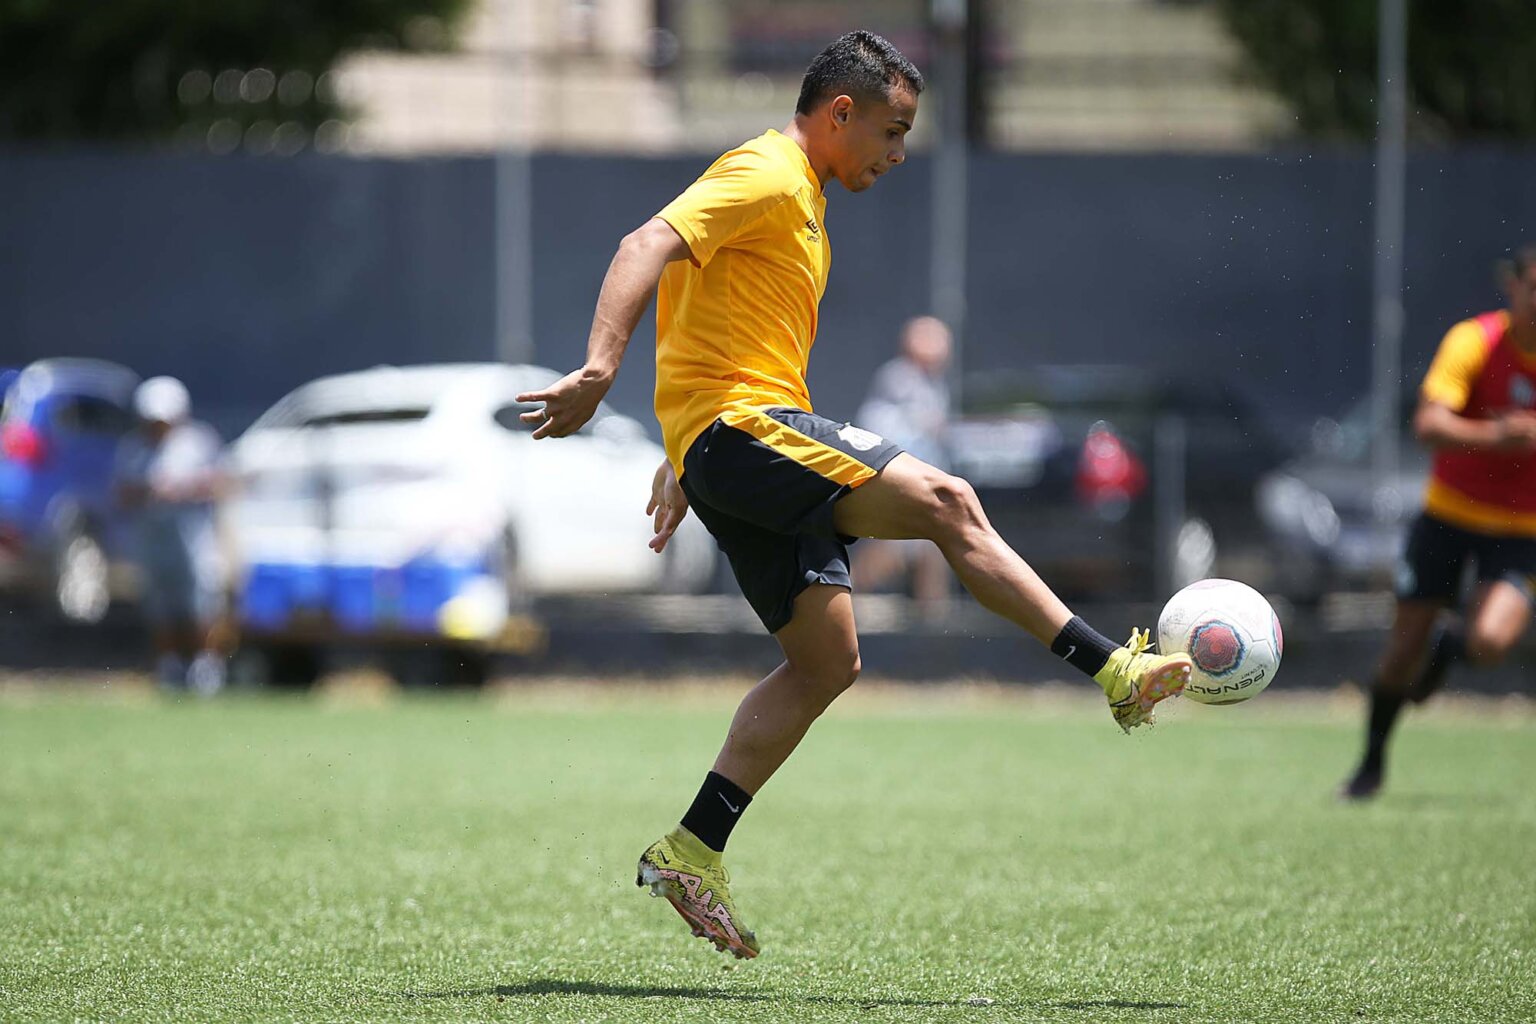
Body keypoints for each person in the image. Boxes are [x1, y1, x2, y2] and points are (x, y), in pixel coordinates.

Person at [516, 30, 1191, 959]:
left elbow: (714, 324)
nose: (898, 153)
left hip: (732, 445)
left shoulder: (803, 203)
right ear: (841, 112)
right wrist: (600, 371)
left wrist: (683, 457)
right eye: (892, 129)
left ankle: (690, 848)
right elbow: (648, 243)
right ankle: (1113, 672)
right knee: (950, 501)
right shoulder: (764, 173)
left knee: (827, 663)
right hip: (743, 433)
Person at [1341, 245, 1536, 800]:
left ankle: (1451, 648)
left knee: (1493, 641)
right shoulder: (1474, 341)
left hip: (1524, 532)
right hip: (1449, 516)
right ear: (1515, 289)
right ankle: (1370, 765)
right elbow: (1427, 424)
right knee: (1402, 651)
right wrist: (1500, 436)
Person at [115, 376, 229, 695]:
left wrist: (185, 488)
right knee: (160, 604)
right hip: (152, 538)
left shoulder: (199, 443)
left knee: (202, 601)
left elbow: (223, 483)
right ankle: (170, 667)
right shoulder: (133, 449)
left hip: (193, 538)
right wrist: (149, 490)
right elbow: (120, 493)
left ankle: (206, 667)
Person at [852, 315, 954, 606]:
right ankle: (846, 599)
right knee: (894, 550)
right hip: (898, 474)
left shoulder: (932, 384)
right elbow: (885, 427)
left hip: (921, 477)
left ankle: (934, 618)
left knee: (932, 549)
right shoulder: (900, 379)